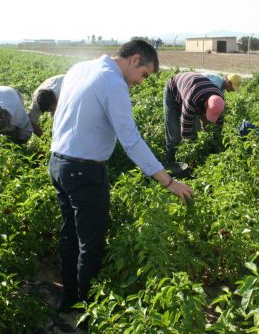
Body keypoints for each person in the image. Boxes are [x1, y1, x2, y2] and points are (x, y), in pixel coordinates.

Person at [49, 40, 193, 312]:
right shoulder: (113, 82)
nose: (140, 82)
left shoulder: (80, 68)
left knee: (70, 235)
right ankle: (86, 310)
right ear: (135, 59)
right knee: (90, 243)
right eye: (144, 74)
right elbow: (131, 140)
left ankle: (68, 300)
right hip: (84, 170)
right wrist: (168, 181)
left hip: (58, 163)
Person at [163, 72, 225, 164]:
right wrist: (188, 148)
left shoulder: (219, 102)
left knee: (195, 134)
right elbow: (186, 128)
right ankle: (171, 163)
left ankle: (194, 161)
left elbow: (219, 125)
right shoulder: (193, 99)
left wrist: (215, 142)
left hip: (193, 89)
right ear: (206, 104)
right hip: (173, 89)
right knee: (174, 134)